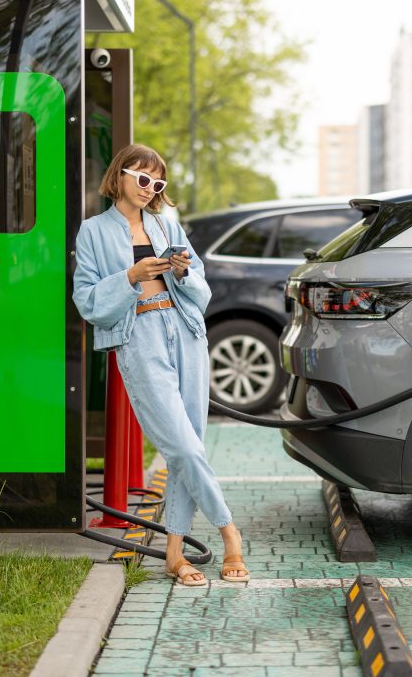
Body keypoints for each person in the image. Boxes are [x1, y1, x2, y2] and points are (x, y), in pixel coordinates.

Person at [72, 143, 249, 586]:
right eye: (143, 178)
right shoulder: (93, 232)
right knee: (183, 448)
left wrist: (184, 271)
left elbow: (202, 291)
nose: (151, 188)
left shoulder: (167, 224)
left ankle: (174, 554)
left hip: (186, 332)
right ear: (121, 176)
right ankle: (230, 533)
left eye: (158, 183)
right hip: (139, 337)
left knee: (188, 445)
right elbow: (87, 301)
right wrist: (131, 277)